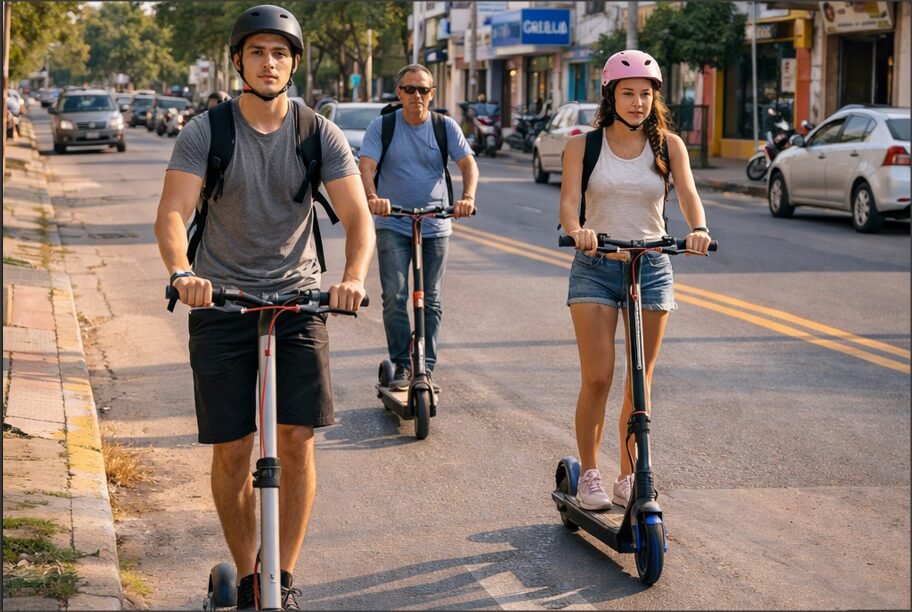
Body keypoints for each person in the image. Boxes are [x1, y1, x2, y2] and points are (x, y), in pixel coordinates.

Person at [153, 5, 374, 609]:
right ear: (239, 61)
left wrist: (351, 278)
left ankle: (279, 577)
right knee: (233, 447)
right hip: (220, 299)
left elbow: (357, 218)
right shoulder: (208, 130)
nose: (269, 62)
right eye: (257, 52)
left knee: (297, 438)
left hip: (299, 298)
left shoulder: (317, 132)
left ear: (293, 63)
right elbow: (173, 213)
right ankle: (250, 573)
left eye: (280, 52)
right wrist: (183, 273)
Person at [558, 50, 711, 511]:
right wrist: (577, 232)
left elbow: (687, 195)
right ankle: (589, 474)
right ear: (611, 95)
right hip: (597, 264)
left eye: (645, 94)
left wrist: (698, 229)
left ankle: (628, 476)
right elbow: (568, 205)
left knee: (638, 383)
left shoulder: (669, 145)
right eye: (628, 93)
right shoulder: (582, 146)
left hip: (652, 265)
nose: (638, 102)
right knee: (600, 377)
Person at [358, 64, 478, 391]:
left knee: (432, 299)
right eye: (409, 89)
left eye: (423, 90)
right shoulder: (382, 127)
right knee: (395, 296)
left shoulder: (445, 127)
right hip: (393, 223)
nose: (416, 96)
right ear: (399, 93)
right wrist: (373, 197)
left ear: (432, 94)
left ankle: (425, 366)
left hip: (435, 224)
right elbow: (366, 166)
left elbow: (468, 164)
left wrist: (466, 198)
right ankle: (400, 363)